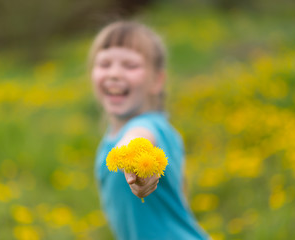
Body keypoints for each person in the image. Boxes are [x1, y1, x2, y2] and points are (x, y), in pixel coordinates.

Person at [89, 20, 209, 240]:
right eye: (105, 64)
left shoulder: (150, 126)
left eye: (130, 65)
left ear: (157, 80)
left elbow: (139, 139)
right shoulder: (110, 136)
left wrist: (140, 165)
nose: (114, 73)